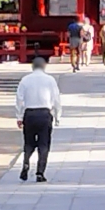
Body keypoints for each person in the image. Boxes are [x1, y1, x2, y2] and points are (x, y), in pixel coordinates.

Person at [14, 55, 62, 183]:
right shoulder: (50, 80)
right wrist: (57, 116)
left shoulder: (25, 80)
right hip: (45, 113)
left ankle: (26, 162)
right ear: (44, 66)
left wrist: (19, 116)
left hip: (29, 114)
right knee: (44, 144)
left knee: (29, 142)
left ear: (32, 66)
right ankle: (40, 172)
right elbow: (56, 99)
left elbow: (19, 99)